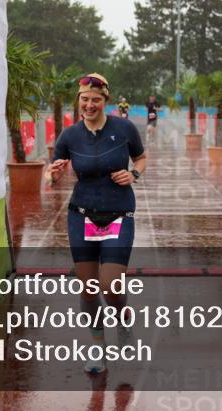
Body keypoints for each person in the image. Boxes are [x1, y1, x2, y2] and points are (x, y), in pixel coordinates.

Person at [45, 73, 146, 375]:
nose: (89, 105)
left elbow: (140, 158)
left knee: (110, 284)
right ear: (79, 101)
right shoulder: (69, 135)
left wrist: (134, 174)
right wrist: (53, 176)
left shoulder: (125, 128)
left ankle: (123, 318)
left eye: (96, 100)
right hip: (81, 214)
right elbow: (52, 176)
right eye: (85, 100)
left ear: (106, 101)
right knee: (89, 290)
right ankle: (97, 347)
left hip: (119, 212)